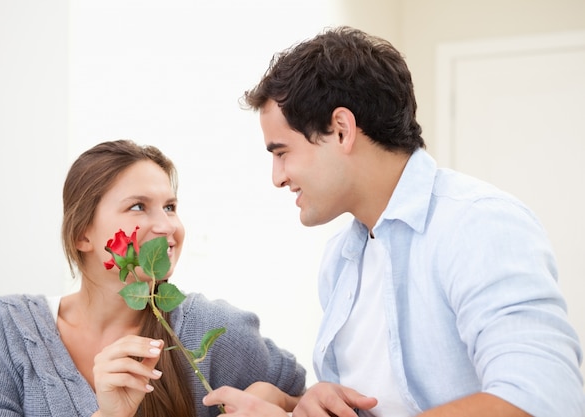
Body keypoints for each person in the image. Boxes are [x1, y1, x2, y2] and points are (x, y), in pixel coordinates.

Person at [202, 26, 585, 417]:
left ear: (341, 130)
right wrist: (295, 404)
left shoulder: (477, 224)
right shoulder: (342, 260)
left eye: (282, 152)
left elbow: (543, 399)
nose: (277, 177)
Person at [0, 139, 306, 417]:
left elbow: (301, 398)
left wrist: (271, 399)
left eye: (170, 207)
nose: (168, 226)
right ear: (83, 235)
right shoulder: (13, 327)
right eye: (138, 207)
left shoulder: (209, 327)